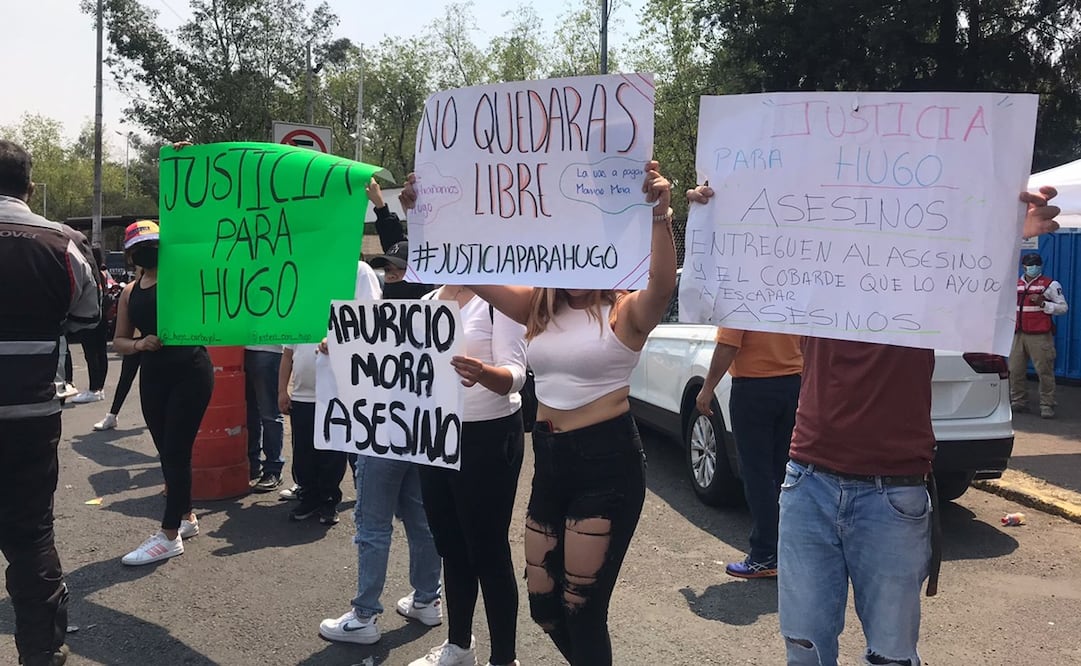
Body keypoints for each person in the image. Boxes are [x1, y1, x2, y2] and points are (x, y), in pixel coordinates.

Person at [687, 183, 1061, 665]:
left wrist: (1006, 238)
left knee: (891, 655)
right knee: (804, 647)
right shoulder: (811, 280)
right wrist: (710, 218)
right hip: (809, 484)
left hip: (893, 493)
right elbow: (740, 264)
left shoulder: (925, 289)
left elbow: (976, 284)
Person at [400, 160, 676, 665]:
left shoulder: (626, 310)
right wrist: (426, 215)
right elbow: (463, 267)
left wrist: (659, 214)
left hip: (607, 465)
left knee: (583, 608)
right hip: (551, 464)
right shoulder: (538, 309)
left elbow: (662, 286)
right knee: (545, 607)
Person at [318, 183, 443, 646]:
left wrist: (343, 347)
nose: (389, 274)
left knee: (372, 525)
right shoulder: (433, 305)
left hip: (385, 431)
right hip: (420, 430)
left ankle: (364, 616)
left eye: (395, 269)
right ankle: (427, 599)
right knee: (420, 518)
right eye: (386, 269)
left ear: (413, 272)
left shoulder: (410, 299)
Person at [0, 140, 100, 666]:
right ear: (30, 187)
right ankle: (40, 652)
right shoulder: (64, 243)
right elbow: (87, 323)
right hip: (29, 414)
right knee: (31, 535)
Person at [407, 285, 528, 666]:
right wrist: (340, 351)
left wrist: (484, 374)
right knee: (451, 545)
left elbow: (516, 374)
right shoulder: (427, 302)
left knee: (488, 550)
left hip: (488, 437)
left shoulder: (498, 301)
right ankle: (459, 645)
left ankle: (504, 659)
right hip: (436, 436)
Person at [113, 220, 215, 565]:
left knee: (176, 450)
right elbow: (120, 341)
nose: (147, 251)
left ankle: (169, 534)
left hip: (191, 370)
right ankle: (186, 517)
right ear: (129, 254)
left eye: (153, 244)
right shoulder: (129, 291)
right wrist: (140, 342)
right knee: (166, 451)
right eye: (140, 246)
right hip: (153, 375)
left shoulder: (183, 278)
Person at [278, 261, 382, 524]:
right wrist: (282, 390)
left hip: (337, 390)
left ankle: (328, 501)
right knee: (303, 450)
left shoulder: (358, 271)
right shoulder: (300, 293)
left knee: (333, 450)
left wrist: (338, 340)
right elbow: (287, 353)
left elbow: (371, 320)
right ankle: (308, 497)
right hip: (303, 394)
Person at [694, 327, 802, 579]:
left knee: (757, 472)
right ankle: (788, 553)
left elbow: (728, 345)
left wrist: (708, 387)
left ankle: (765, 554)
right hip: (793, 385)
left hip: (754, 389)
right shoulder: (794, 290)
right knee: (785, 472)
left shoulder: (743, 295)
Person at [1009, 252, 1068, 418]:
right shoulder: (1015, 284)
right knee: (1015, 370)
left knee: (1044, 370)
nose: (1033, 267)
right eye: (1030, 264)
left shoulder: (1050, 285)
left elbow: (1063, 308)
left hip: (1040, 335)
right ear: (1024, 266)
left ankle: (1047, 404)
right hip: (1018, 334)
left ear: (1041, 265)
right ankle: (1019, 401)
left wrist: (1043, 303)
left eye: (1036, 264)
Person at [246, 343, 286, 491]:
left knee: (269, 413)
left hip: (268, 349)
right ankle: (251, 465)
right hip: (236, 348)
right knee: (247, 414)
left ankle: (273, 469)